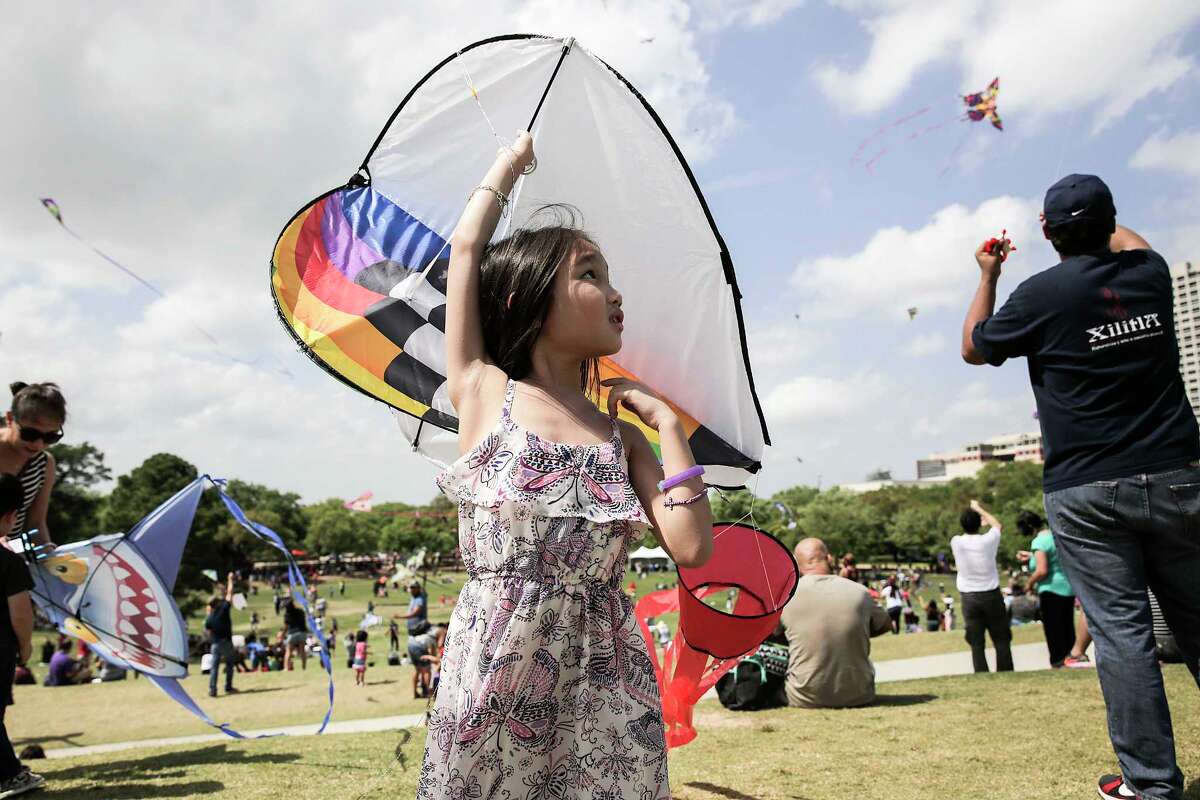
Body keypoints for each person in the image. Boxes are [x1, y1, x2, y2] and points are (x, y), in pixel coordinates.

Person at [419, 132, 712, 800]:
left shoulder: (623, 439)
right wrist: (507, 163)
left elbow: (693, 549)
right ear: (526, 296)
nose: (615, 293)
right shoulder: (485, 390)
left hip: (606, 683)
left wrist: (667, 426)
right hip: (495, 667)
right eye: (590, 274)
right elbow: (466, 250)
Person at [963, 174, 1200, 799]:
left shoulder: (1041, 294)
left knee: (1123, 639)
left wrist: (988, 273)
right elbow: (1132, 240)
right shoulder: (1149, 275)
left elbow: (972, 347)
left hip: (1087, 488)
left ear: (1046, 232)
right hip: (1178, 472)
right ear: (1110, 221)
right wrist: (1095, 222)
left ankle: (1151, 785)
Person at [777, 538, 891, 708]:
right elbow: (886, 625)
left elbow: (772, 634)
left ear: (796, 564)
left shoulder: (784, 596)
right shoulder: (859, 591)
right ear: (829, 559)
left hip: (803, 697)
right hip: (860, 694)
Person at [0, 475, 44, 795]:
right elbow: (20, 612)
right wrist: (25, 645)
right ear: (10, 517)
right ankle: (11, 775)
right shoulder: (9, 562)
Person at [0, 382, 67, 549]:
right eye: (30, 434)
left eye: (50, 437)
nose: (38, 444)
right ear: (9, 419)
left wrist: (47, 550)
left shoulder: (44, 464)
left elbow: (36, 523)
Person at [949, 500, 1012, 673]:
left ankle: (981, 671)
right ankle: (1005, 670)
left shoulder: (956, 542)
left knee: (976, 640)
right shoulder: (988, 541)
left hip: (969, 596)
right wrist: (978, 508)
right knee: (1001, 638)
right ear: (979, 524)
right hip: (991, 593)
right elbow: (997, 525)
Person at [1014, 510, 1075, 667]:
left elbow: (1042, 570)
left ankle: (1058, 661)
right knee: (1067, 627)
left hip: (1050, 590)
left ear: (1028, 526)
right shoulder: (1054, 536)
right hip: (1067, 587)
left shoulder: (1038, 542)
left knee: (1054, 630)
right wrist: (1031, 555)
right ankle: (1072, 658)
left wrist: (1029, 584)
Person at [204, 572, 238, 697]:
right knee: (229, 664)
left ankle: (212, 690)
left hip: (215, 644)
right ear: (217, 603)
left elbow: (208, 632)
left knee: (214, 668)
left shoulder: (209, 619)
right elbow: (230, 593)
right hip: (226, 642)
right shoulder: (223, 609)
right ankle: (228, 687)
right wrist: (230, 580)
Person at [282, 598, 308, 671]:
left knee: (289, 651)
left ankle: (286, 668)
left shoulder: (287, 614)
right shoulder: (300, 611)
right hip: (302, 632)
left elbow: (286, 626)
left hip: (292, 633)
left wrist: (283, 634)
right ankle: (303, 667)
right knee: (302, 650)